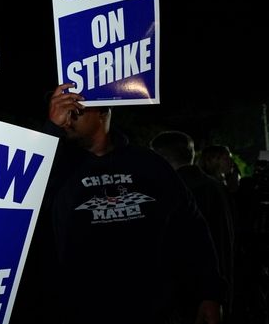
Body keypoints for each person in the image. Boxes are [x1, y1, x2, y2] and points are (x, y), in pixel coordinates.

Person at [34, 83, 224, 324]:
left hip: (153, 311)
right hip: (77, 312)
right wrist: (51, 130)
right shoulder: (57, 165)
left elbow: (191, 229)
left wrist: (210, 293)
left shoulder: (149, 165)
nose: (67, 118)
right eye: (63, 109)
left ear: (103, 113)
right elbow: (25, 192)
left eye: (76, 110)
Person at [150, 130, 235, 322]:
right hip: (219, 289)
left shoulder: (177, 191)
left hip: (190, 296)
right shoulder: (215, 186)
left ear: (161, 158)